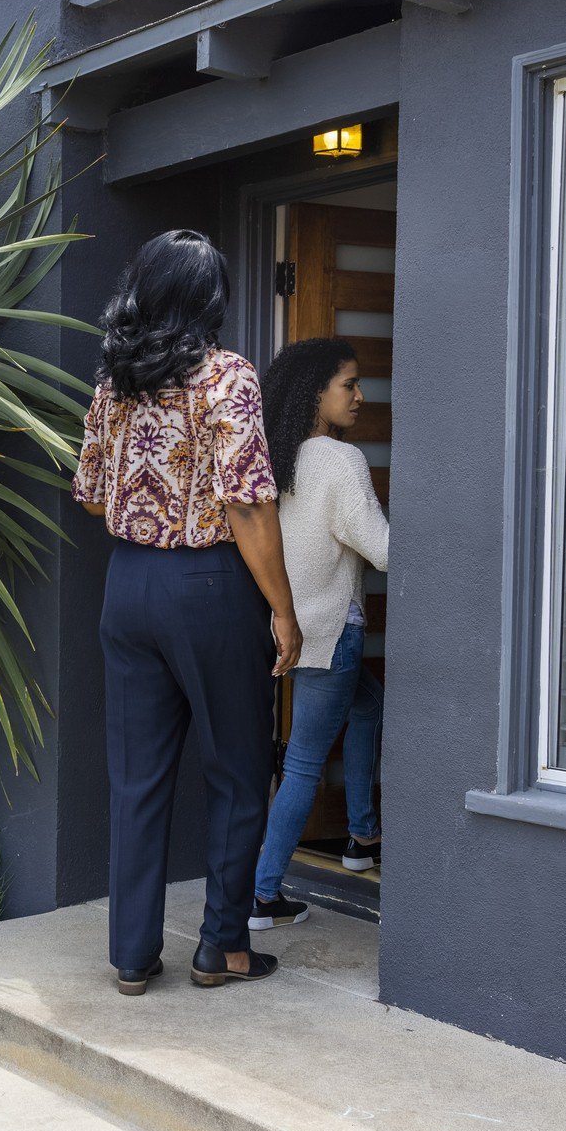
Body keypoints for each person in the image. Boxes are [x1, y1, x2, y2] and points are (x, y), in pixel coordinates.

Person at [72, 230, 303, 994]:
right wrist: (284, 611)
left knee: (136, 779)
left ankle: (133, 956)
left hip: (128, 583)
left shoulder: (115, 380)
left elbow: (93, 493)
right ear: (210, 298)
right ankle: (223, 947)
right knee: (237, 770)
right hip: (207, 584)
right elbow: (248, 504)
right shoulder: (228, 377)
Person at [248, 337, 388, 930]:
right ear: (316, 393)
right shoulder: (340, 460)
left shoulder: (276, 458)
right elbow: (381, 548)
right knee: (304, 764)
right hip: (333, 633)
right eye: (348, 385)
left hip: (289, 631)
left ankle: (359, 837)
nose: (360, 396)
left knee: (368, 704)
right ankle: (262, 894)